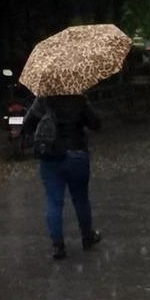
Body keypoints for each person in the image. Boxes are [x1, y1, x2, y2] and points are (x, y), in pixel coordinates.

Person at [23, 95, 103, 260]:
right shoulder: (78, 99)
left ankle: (58, 245)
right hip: (77, 154)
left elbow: (27, 125)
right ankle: (87, 237)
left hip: (51, 157)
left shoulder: (43, 100)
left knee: (54, 201)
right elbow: (96, 124)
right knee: (81, 199)